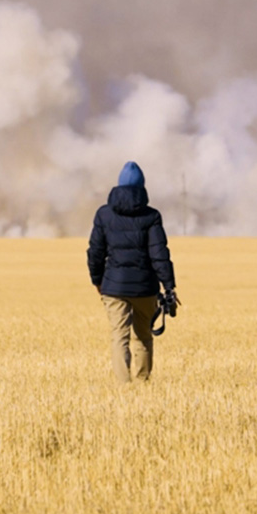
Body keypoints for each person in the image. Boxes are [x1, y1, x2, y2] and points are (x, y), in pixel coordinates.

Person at [87, 161, 178, 383]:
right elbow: (159, 254)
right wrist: (169, 286)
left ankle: (123, 387)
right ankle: (142, 383)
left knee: (119, 336)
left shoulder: (103, 214)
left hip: (113, 287)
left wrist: (97, 280)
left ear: (118, 185)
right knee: (144, 337)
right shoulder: (152, 216)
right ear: (143, 187)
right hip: (145, 288)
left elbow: (95, 252)